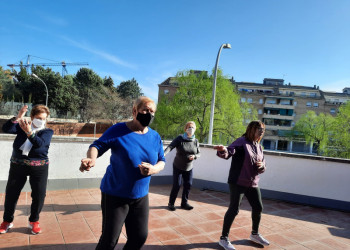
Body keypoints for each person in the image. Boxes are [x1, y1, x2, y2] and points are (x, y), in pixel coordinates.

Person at [80, 96, 165, 250]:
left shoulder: (155, 136)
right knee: (109, 240)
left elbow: (162, 161)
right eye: (145, 110)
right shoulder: (118, 130)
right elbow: (96, 146)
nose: (149, 114)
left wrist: (154, 169)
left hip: (140, 195)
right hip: (115, 194)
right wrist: (91, 159)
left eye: (152, 111)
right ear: (134, 111)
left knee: (139, 237)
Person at [214, 121, 270, 250]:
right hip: (238, 181)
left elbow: (263, 163)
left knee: (258, 207)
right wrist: (223, 150)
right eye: (259, 129)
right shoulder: (241, 142)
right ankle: (223, 239)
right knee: (234, 209)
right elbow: (229, 152)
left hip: (253, 182)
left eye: (263, 130)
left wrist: (263, 166)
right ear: (251, 129)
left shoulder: (259, 146)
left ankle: (254, 234)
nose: (261, 131)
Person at [0, 104, 53, 235]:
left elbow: (39, 144)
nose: (41, 120)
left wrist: (29, 132)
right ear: (32, 116)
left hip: (39, 167)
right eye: (39, 117)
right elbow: (6, 128)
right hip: (18, 165)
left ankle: (34, 221)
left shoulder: (47, 132)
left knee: (39, 195)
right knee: (11, 193)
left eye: (44, 118)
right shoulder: (22, 125)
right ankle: (7, 221)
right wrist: (19, 117)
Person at [164, 121, 200, 211]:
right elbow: (170, 146)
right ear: (185, 129)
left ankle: (184, 203)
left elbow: (199, 153)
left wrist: (194, 156)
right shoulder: (180, 138)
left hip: (189, 167)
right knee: (177, 185)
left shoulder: (195, 141)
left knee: (188, 184)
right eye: (189, 127)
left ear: (195, 129)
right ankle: (171, 203)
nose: (191, 129)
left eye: (192, 127)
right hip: (178, 166)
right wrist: (163, 154)